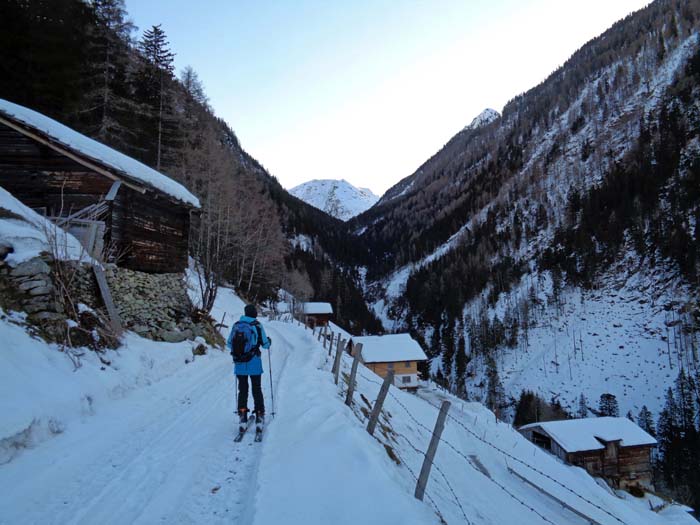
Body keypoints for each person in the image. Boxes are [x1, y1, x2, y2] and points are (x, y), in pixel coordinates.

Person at [228, 304, 271, 430]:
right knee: (256, 388)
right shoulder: (257, 325)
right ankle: (259, 415)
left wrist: (240, 352)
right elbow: (265, 345)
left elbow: (229, 343)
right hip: (254, 362)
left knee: (243, 389)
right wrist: (269, 342)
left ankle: (242, 416)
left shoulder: (236, 325)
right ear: (254, 313)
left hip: (240, 364)